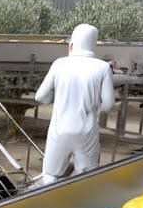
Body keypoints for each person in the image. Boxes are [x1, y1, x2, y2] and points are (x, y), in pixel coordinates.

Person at [32, 24, 115, 186]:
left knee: (50, 175)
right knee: (85, 177)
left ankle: (49, 204)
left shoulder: (59, 64)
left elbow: (40, 96)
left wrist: (55, 98)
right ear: (93, 44)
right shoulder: (103, 67)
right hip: (86, 132)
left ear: (71, 45)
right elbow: (108, 105)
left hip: (59, 131)